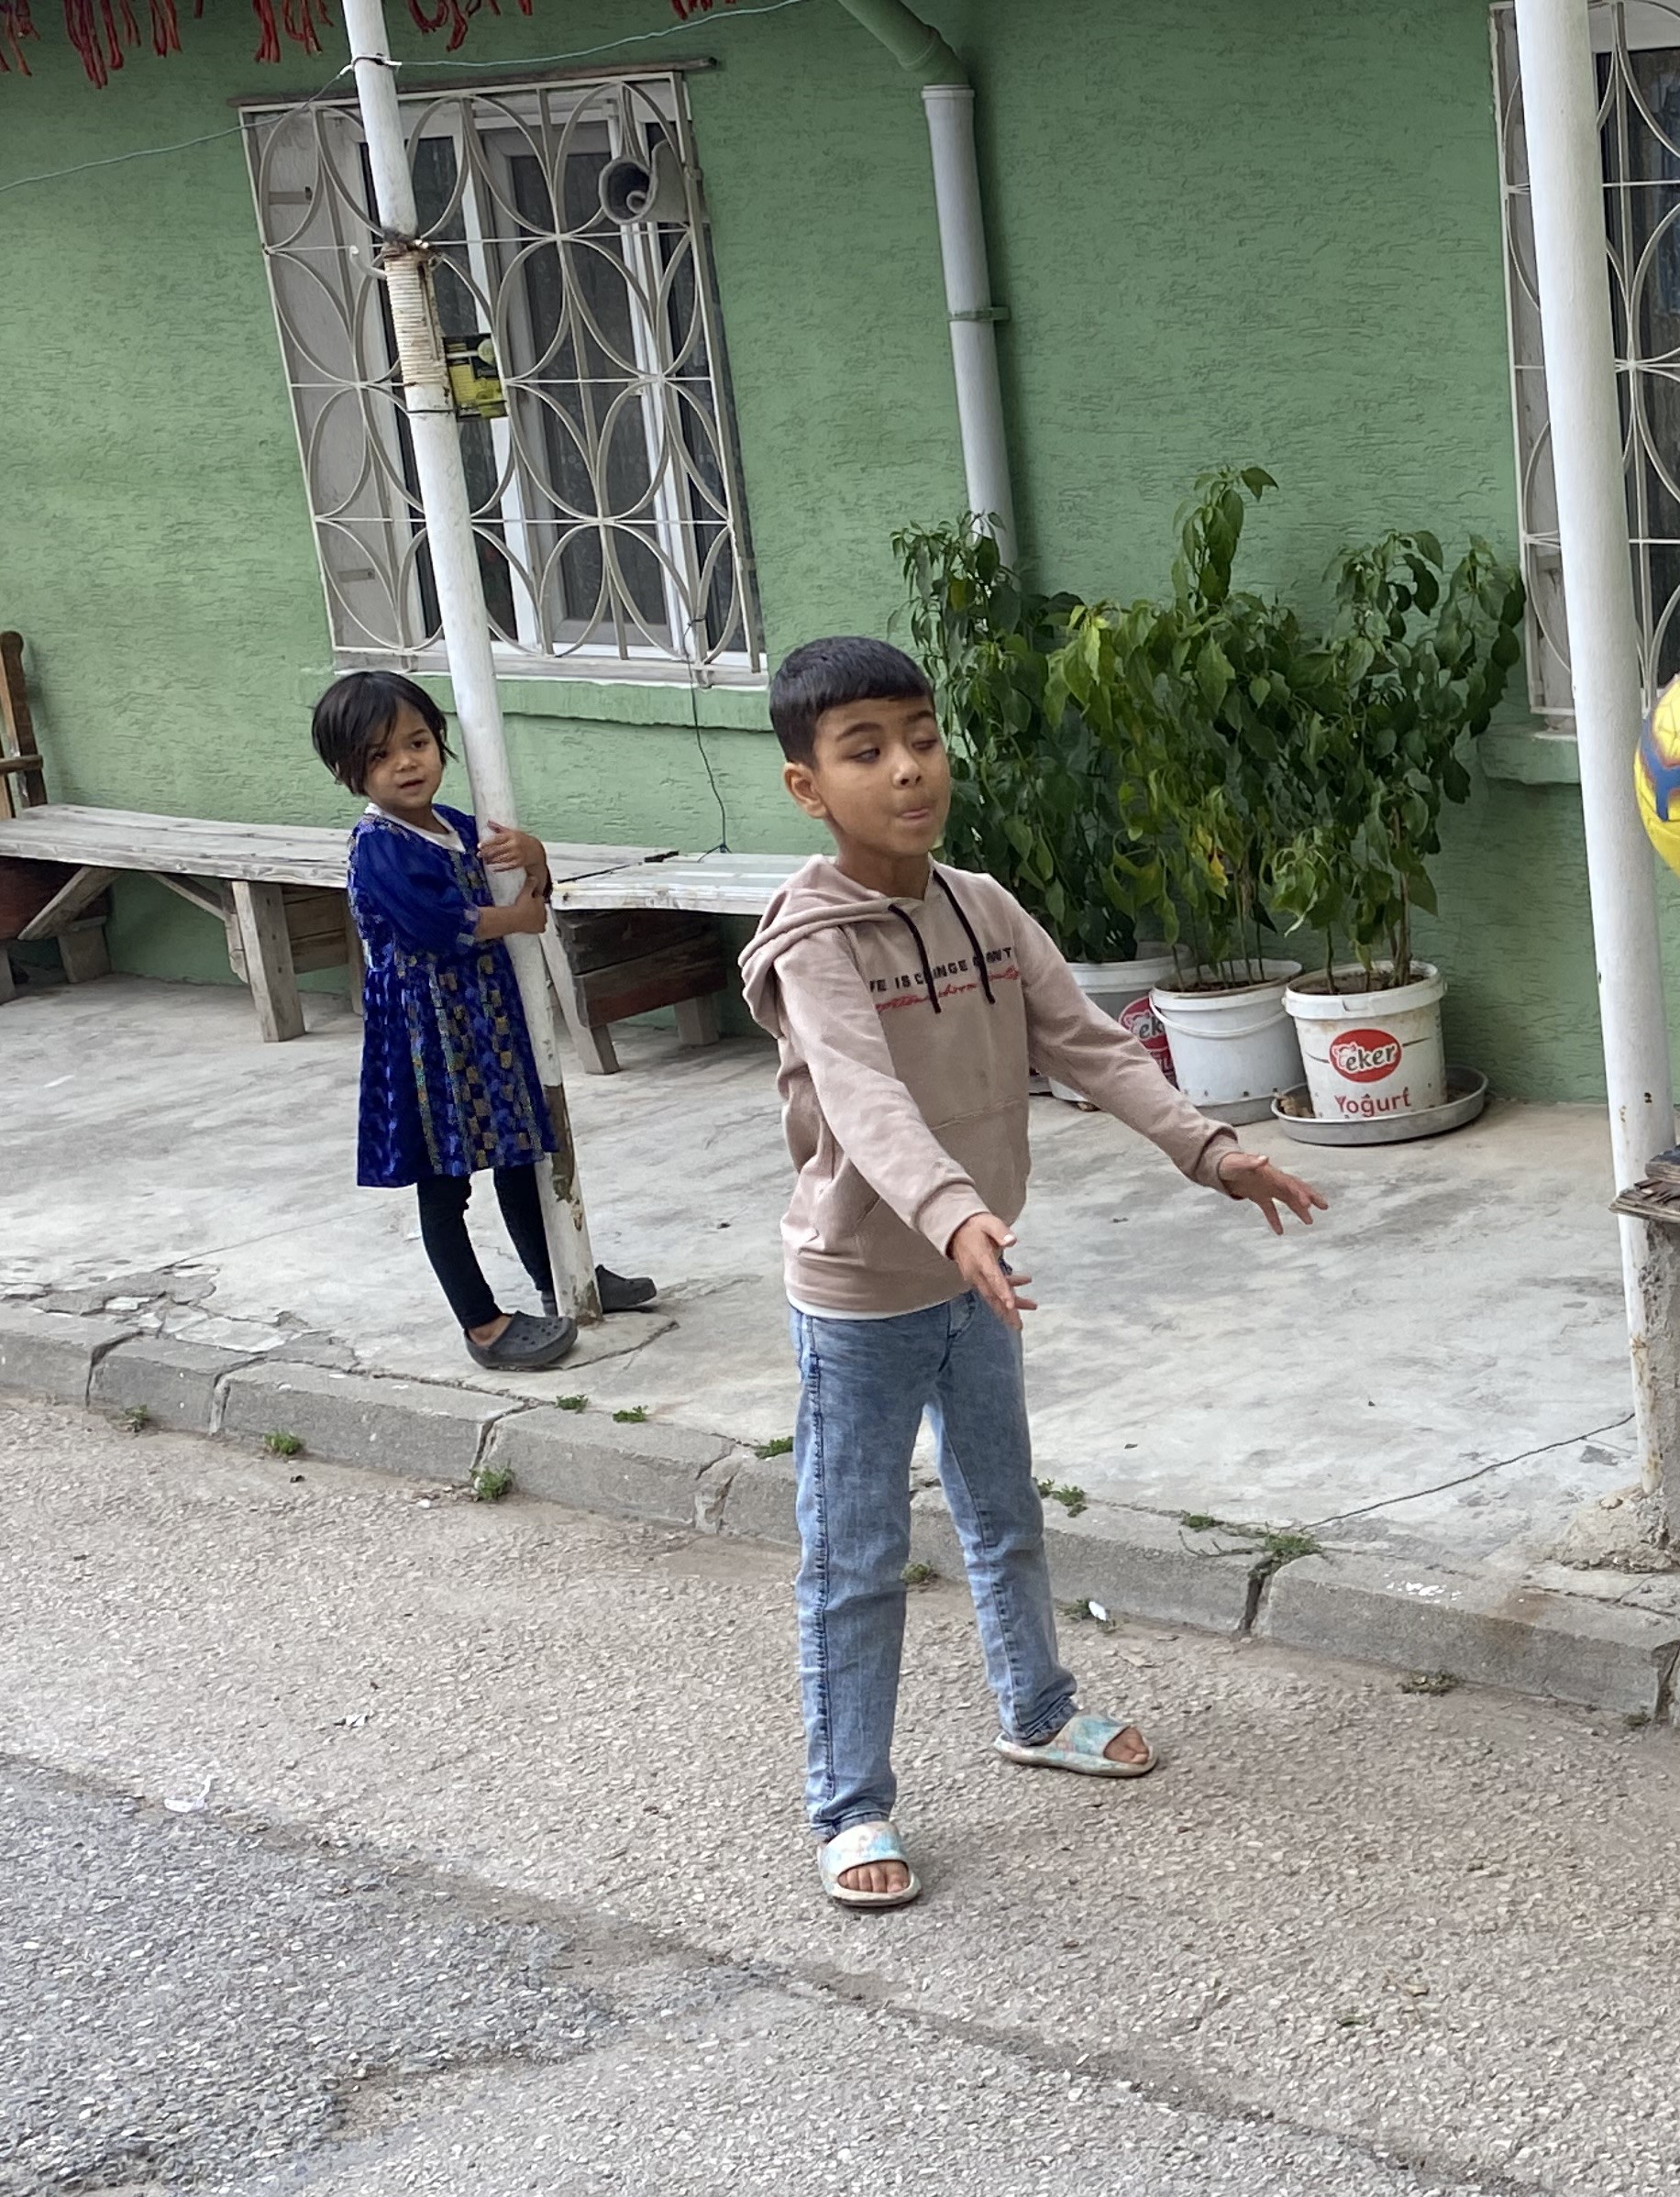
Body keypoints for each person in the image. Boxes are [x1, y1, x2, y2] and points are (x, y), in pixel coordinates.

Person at [740, 635, 1329, 1914]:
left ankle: (1037, 1709)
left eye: (921, 737)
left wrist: (1211, 1150)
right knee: (854, 1556)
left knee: (1003, 1511)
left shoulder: (983, 907)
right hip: (863, 1294)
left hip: (977, 1276)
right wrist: (955, 1215)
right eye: (866, 751)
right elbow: (867, 1098)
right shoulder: (814, 943)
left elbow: (1090, 1046)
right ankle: (850, 1805)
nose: (908, 771)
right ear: (807, 787)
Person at [311, 670, 662, 1372]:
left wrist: (535, 858)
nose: (406, 763)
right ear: (351, 773)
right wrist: (520, 919)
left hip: (483, 1023)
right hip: (424, 1037)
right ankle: (483, 1324)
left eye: (417, 743)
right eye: (381, 756)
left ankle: (563, 1276)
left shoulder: (456, 828)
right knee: (443, 1181)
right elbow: (440, 925)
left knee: (520, 1156)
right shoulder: (379, 845)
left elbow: (515, 880)